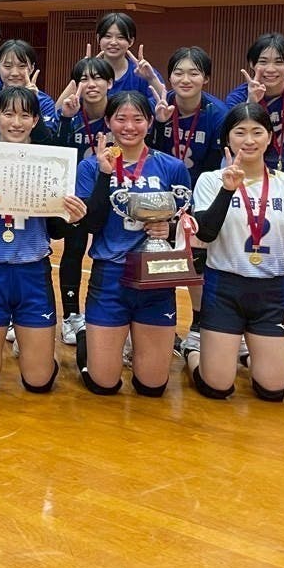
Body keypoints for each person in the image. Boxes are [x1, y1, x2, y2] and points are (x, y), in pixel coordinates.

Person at [0, 86, 87, 392]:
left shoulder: (50, 164)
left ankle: (35, 346)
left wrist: (72, 218)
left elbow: (56, 231)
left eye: (25, 115)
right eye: (8, 114)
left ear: (36, 120)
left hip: (33, 273)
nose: (16, 122)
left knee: (39, 382)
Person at [184, 103, 284, 402]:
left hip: (271, 292)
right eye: (240, 132)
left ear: (270, 137)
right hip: (224, 289)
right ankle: (193, 351)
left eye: (257, 132)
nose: (249, 140)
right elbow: (205, 233)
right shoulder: (210, 180)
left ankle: (247, 353)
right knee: (217, 387)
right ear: (227, 139)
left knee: (273, 390)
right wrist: (227, 189)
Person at [74, 91, 191, 396]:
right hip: (110, 273)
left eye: (137, 119)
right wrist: (104, 175)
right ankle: (88, 343)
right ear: (108, 122)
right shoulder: (91, 166)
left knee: (153, 386)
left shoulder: (171, 167)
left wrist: (169, 228)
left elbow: (187, 220)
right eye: (121, 119)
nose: (129, 126)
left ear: (150, 122)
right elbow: (91, 224)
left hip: (156, 274)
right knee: (103, 384)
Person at [150, 47, 225, 354]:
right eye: (178, 72)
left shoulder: (217, 114)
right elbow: (145, 148)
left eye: (194, 73)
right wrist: (158, 124)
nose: (185, 79)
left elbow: (218, 163)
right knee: (157, 260)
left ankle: (197, 324)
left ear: (206, 78)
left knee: (196, 262)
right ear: (169, 77)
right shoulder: (159, 105)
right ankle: (158, 321)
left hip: (198, 196)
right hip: (158, 195)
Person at [53, 56, 116, 344]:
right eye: (84, 79)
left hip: (111, 192)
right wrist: (66, 118)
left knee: (115, 251)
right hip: (75, 196)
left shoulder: (119, 115)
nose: (91, 84)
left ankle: (113, 314)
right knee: (74, 249)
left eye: (98, 77)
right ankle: (70, 316)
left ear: (110, 83)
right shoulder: (71, 114)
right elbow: (57, 151)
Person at [224, 33, 284, 178]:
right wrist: (251, 102)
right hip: (254, 163)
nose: (271, 69)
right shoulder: (238, 98)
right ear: (252, 64)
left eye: (279, 62)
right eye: (263, 62)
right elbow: (235, 135)